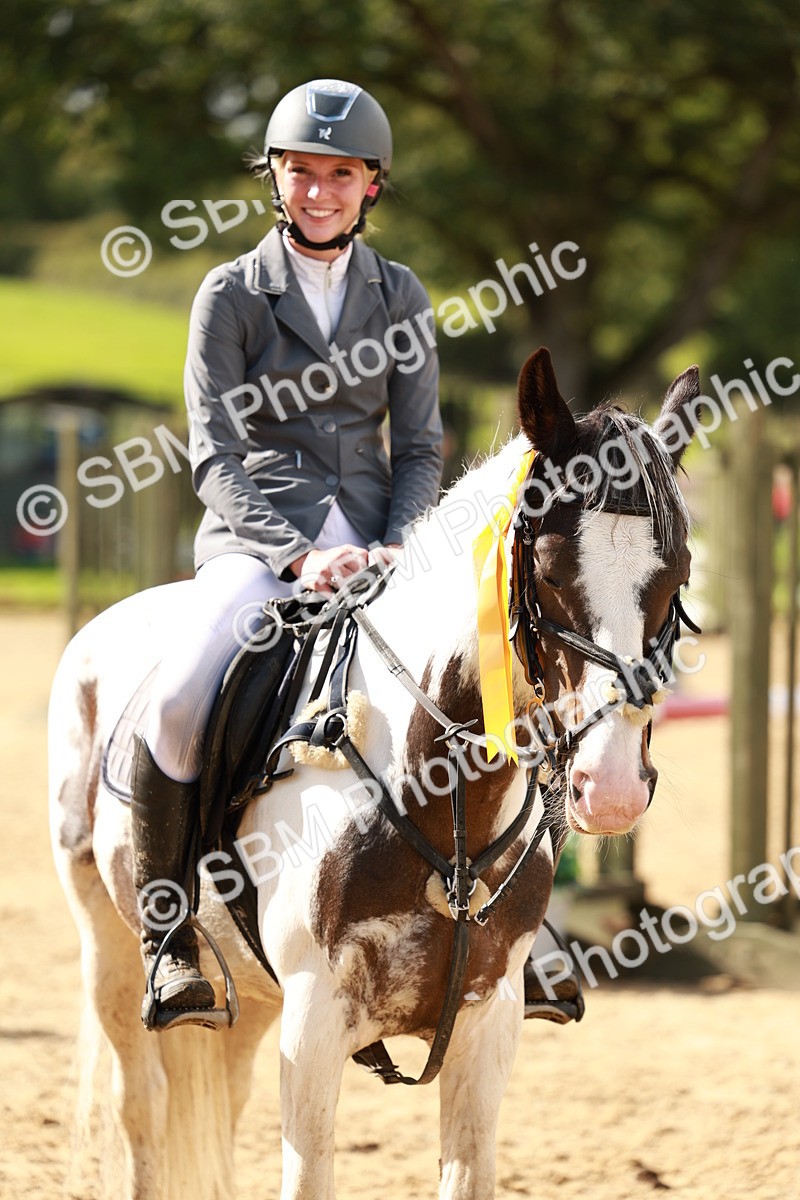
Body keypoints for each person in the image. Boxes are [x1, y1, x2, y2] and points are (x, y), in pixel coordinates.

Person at [130, 79, 444, 1016]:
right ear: (274, 176)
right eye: (300, 171)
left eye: (338, 175)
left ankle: (526, 922)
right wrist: (300, 556)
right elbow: (215, 455)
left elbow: (422, 447)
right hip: (259, 539)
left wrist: (399, 547)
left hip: (385, 540)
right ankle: (168, 938)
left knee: (496, 671)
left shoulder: (401, 294)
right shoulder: (230, 295)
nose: (318, 190)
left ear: (370, 186)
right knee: (183, 694)